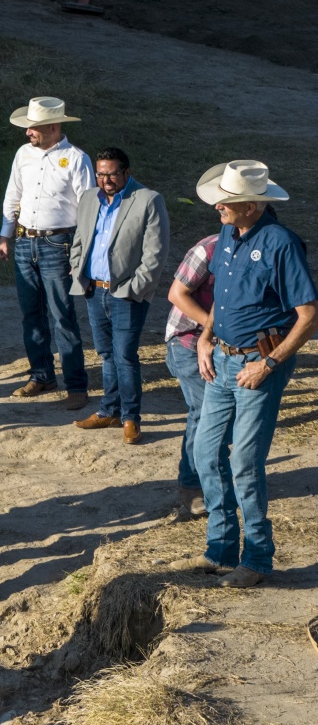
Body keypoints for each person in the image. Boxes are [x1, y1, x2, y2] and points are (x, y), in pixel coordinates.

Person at [188, 160, 318, 588]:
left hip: (258, 366)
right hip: (221, 360)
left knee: (244, 462)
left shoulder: (282, 244)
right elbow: (222, 298)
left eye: (227, 202)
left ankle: (258, 559)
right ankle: (221, 549)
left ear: (252, 206)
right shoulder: (229, 232)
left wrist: (269, 363)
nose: (218, 208)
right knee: (205, 454)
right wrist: (205, 337)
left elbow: (308, 314)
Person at [0, 98, 95, 409]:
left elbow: (87, 209)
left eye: (34, 127)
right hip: (25, 242)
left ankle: (76, 385)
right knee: (31, 314)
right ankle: (41, 375)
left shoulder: (77, 159)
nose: (28, 132)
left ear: (54, 128)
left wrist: (81, 254)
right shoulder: (23, 155)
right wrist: (5, 235)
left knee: (62, 316)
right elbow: (13, 195)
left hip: (59, 244)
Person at [68, 147, 169, 442]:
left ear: (126, 172)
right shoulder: (89, 198)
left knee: (125, 356)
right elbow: (79, 240)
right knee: (106, 354)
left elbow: (156, 253)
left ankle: (130, 418)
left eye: (112, 173)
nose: (106, 180)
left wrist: (135, 288)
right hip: (93, 290)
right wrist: (78, 272)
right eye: (100, 173)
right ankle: (108, 411)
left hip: (125, 294)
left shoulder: (149, 199)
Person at [163, 230, 221, 521]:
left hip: (227, 344)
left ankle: (216, 478)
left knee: (225, 414)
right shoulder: (207, 250)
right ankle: (191, 485)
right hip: (187, 340)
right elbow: (176, 294)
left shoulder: (267, 251)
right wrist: (212, 328)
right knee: (203, 410)